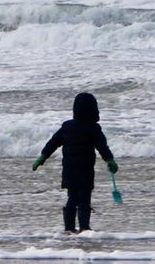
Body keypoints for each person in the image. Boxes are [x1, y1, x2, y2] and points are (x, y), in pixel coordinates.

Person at [32, 92, 118, 233]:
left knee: (72, 197)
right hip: (85, 169)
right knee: (84, 198)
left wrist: (42, 157)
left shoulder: (67, 127)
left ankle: (69, 228)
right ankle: (84, 227)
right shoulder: (93, 128)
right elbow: (102, 146)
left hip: (69, 169)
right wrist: (109, 160)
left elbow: (53, 143)